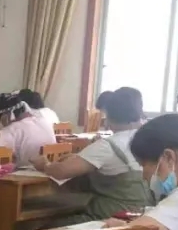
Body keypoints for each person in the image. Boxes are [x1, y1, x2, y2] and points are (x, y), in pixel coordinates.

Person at [29, 87, 152, 221]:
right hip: (144, 215)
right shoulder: (147, 139)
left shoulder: (109, 145)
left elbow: (61, 171)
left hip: (110, 217)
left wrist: (45, 165)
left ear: (108, 116)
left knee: (47, 225)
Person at [0, 91, 56, 166]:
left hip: (28, 171)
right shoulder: (44, 121)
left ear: (5, 117)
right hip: (49, 169)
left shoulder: (12, 130)